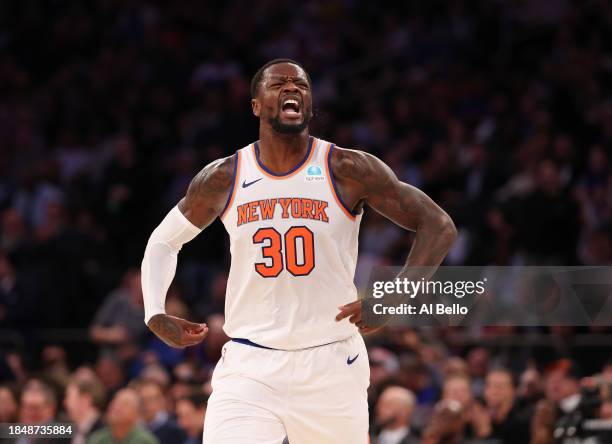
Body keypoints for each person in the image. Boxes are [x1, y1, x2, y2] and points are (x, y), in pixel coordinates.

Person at [141, 58, 456, 443]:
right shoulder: (224, 176)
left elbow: (438, 224)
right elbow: (163, 240)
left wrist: (395, 295)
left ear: (309, 104)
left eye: (301, 84)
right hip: (249, 364)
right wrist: (154, 310)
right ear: (256, 104)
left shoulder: (346, 168)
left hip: (331, 362)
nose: (292, 88)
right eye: (279, 84)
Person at [87, 388, 158, 444]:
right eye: (115, 402)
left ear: (137, 414)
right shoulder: (97, 439)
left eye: (124, 404)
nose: (116, 407)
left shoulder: (145, 441)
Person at [137, 379, 186, 444]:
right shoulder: (134, 427)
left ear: (161, 401)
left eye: (151, 399)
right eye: (142, 400)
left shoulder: (175, 428)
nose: (146, 404)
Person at [64, 378, 106, 444]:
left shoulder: (105, 432)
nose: (65, 403)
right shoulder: (69, 431)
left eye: (69, 397)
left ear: (85, 400)